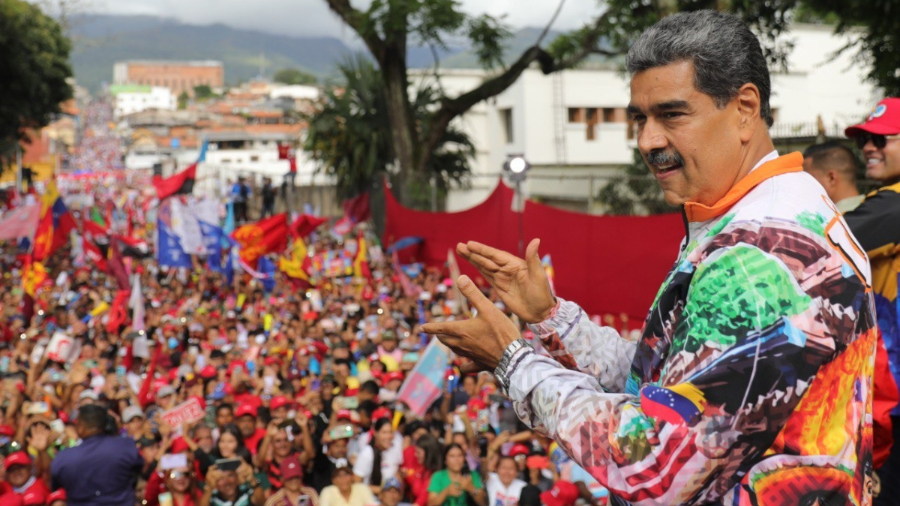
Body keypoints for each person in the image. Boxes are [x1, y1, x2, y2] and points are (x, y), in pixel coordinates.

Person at [422, 10, 877, 506]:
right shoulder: (761, 211)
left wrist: (512, 360)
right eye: (639, 117)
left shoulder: (760, 258)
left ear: (745, 108)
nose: (647, 141)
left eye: (671, 114)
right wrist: (549, 318)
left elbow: (654, 463)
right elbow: (666, 386)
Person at [843, 97, 900, 506]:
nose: (868, 147)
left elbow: (815, 247)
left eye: (883, 139)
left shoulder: (894, 203)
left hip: (890, 403)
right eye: (865, 138)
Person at [51, 405, 143, 506]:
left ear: (81, 427)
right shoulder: (125, 446)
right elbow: (142, 471)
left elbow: (52, 484)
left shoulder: (64, 458)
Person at [802, 141, 865, 212]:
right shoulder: (875, 207)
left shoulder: (830, 220)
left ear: (831, 178)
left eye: (807, 179)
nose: (803, 186)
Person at [352, 418, 402, 492]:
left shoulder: (393, 450)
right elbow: (356, 484)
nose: (388, 436)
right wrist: (382, 490)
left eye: (390, 432)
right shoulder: (367, 453)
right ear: (375, 433)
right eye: (384, 432)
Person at [200, 461, 265, 506]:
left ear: (237, 477)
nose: (226, 481)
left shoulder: (246, 491)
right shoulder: (213, 496)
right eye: (221, 478)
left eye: (230, 475)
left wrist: (252, 480)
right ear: (215, 482)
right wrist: (209, 486)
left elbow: (262, 503)